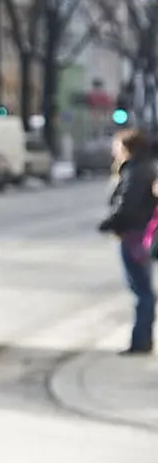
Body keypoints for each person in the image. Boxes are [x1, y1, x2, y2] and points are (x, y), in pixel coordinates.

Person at [99, 127, 156, 355]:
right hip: (139, 234)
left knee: (141, 290)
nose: (114, 150)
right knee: (142, 288)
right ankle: (143, 338)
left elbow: (128, 204)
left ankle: (140, 341)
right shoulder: (143, 167)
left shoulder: (135, 170)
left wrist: (109, 223)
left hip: (134, 235)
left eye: (117, 146)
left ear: (127, 148)